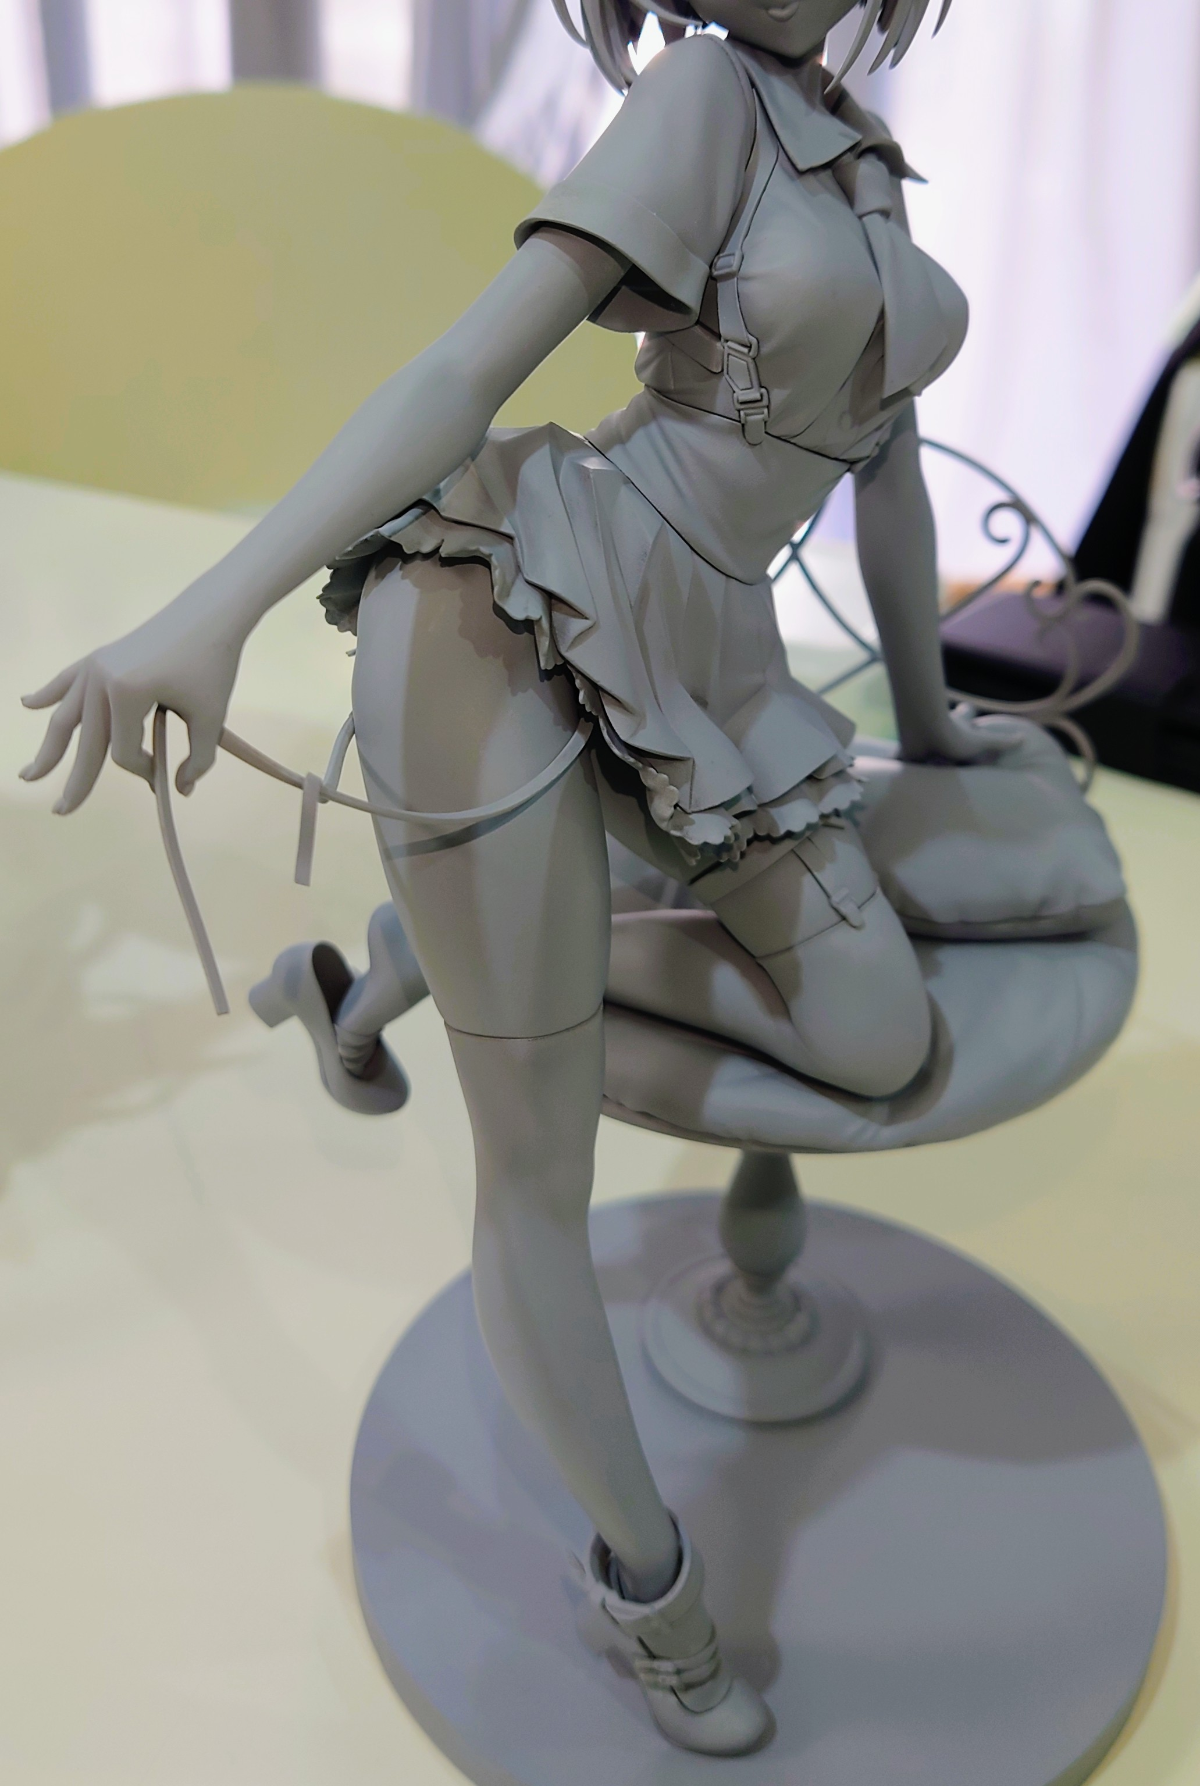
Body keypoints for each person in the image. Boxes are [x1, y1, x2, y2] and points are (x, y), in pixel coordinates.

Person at [21, 0, 1004, 1756]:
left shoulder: (861, 153)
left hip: (718, 659)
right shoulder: (702, 93)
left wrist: (934, 728)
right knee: (537, 1170)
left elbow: (893, 485)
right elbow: (464, 371)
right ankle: (653, 1592)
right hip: (520, 604)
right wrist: (211, 610)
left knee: (877, 1030)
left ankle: (420, 958)